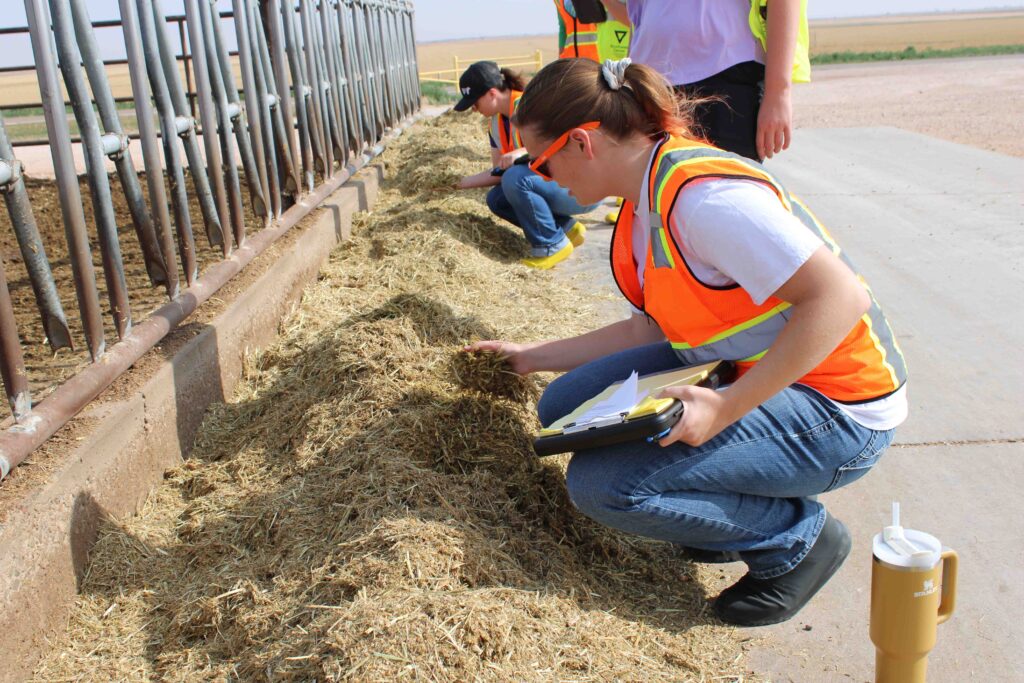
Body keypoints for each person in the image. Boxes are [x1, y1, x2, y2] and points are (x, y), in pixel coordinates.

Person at [465, 58, 908, 627]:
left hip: (837, 407)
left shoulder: (704, 201)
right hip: (742, 367)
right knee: (560, 406)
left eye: (542, 163)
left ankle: (797, 541)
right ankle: (718, 519)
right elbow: (649, 327)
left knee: (602, 487)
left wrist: (727, 409)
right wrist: (531, 356)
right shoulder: (641, 195)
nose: (542, 179)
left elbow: (841, 298)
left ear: (582, 142)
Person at [602, 0, 809, 163]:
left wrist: (778, 92)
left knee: (722, 200)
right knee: (657, 209)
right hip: (650, 84)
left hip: (723, 75)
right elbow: (639, 17)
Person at [454, 61, 598, 269]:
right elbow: (499, 172)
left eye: (475, 103)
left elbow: (565, 141)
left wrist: (521, 152)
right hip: (553, 185)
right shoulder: (495, 123)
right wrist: (458, 183)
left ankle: (552, 245)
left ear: (492, 94)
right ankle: (566, 228)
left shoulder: (533, 105)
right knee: (497, 198)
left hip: (582, 186)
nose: (474, 110)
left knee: (515, 178)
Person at [554, 0, 631, 62]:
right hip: (572, 60)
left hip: (602, 57)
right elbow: (563, 27)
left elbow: (634, 20)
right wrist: (561, 60)